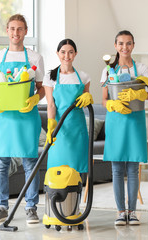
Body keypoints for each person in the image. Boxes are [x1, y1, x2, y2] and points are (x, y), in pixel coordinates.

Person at [0, 14, 45, 224]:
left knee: (29, 161)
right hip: (3, 117)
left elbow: (41, 89)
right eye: (12, 28)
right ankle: (1, 206)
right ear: (7, 31)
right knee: (1, 162)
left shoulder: (35, 58)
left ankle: (31, 207)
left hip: (26, 116)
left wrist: (36, 99)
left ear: (26, 31)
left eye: (20, 29)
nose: (16, 33)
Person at [100, 30, 148, 226]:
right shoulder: (108, 70)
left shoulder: (141, 69)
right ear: (115, 46)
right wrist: (111, 105)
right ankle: (120, 212)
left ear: (133, 45)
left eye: (128, 43)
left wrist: (139, 95)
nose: (125, 47)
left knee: (133, 168)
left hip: (135, 121)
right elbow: (104, 99)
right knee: (116, 169)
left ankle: (132, 212)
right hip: (116, 121)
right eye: (121, 44)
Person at [43, 38, 93, 175]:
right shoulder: (50, 77)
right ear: (57, 53)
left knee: (77, 170)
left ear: (75, 54)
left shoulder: (83, 77)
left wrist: (88, 96)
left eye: (70, 52)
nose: (67, 56)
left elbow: (86, 101)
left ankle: (76, 195)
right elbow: (51, 104)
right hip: (59, 128)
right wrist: (51, 124)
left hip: (77, 127)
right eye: (63, 52)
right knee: (57, 168)